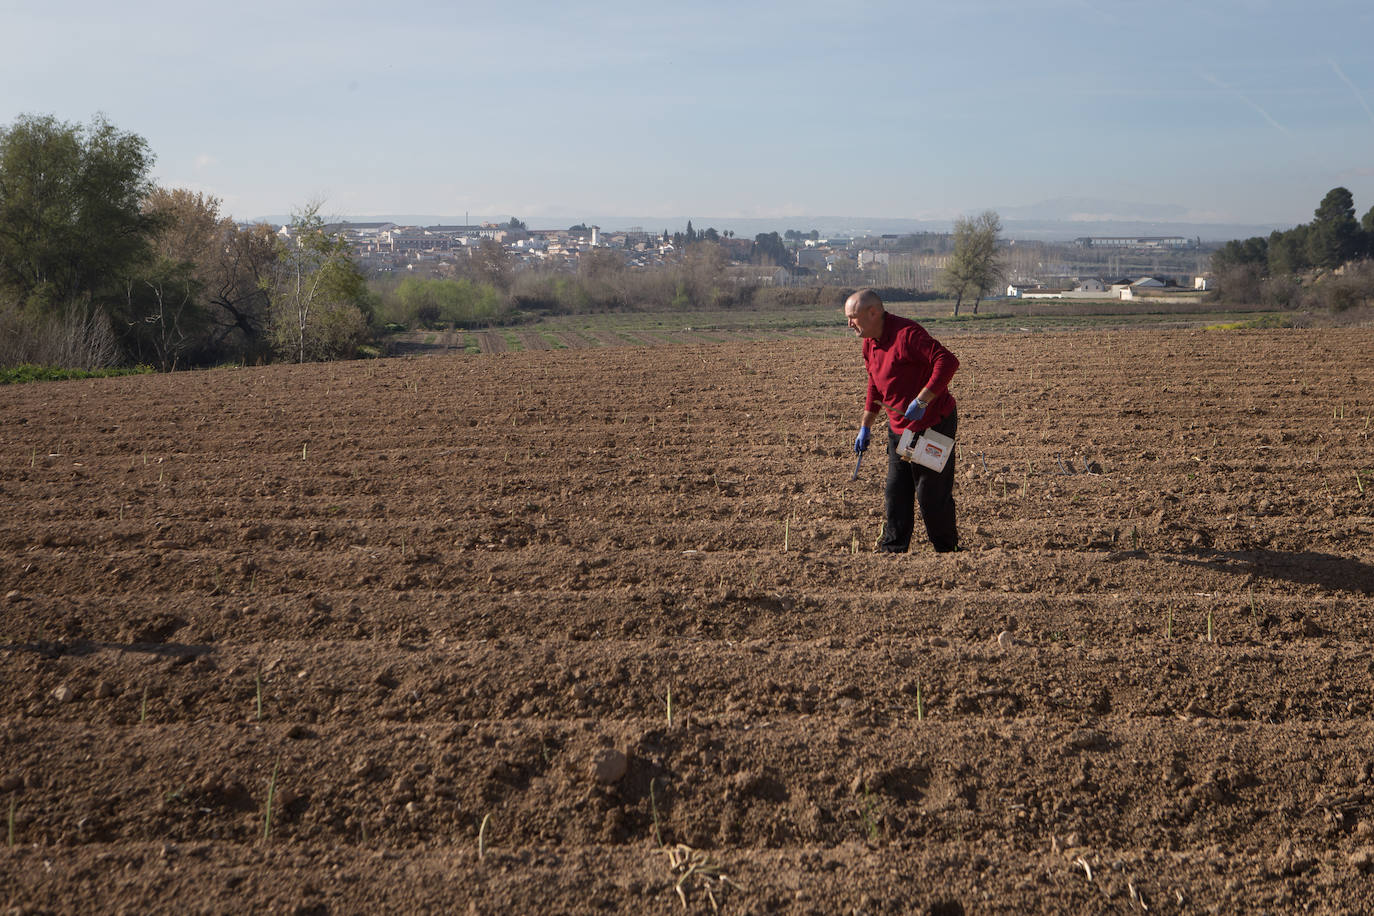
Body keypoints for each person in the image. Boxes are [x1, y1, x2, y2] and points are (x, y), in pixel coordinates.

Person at [845, 289, 960, 553]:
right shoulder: (870, 343)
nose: (849, 324)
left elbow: (947, 361)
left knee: (931, 495)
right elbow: (875, 384)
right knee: (896, 492)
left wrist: (922, 400)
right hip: (900, 429)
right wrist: (866, 425)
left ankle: (947, 551)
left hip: (933, 424)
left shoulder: (907, 334)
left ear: (873, 312)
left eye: (853, 317)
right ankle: (893, 549)